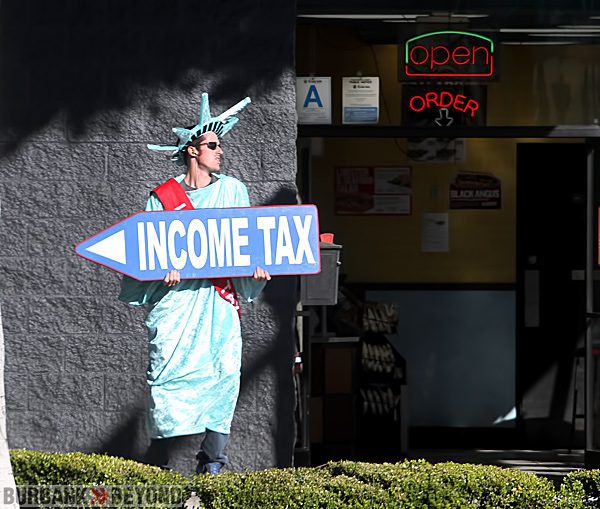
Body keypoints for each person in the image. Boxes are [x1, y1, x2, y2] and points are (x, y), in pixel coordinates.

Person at [118, 93, 270, 474]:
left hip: (218, 304)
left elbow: (245, 244)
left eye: (220, 145)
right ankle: (157, 467)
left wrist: (254, 270)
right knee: (167, 382)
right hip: (177, 307)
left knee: (223, 375)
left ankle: (213, 464)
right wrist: (160, 271)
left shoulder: (233, 191)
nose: (220, 152)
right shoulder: (161, 199)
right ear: (192, 150)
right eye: (213, 145)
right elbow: (146, 254)